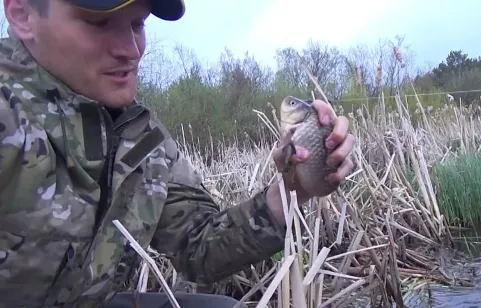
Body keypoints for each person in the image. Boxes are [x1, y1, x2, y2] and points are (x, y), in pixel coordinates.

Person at [0, 0, 356, 307]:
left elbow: (199, 249)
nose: (131, 49)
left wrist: (291, 191)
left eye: (137, 23)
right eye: (99, 23)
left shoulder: (141, 139)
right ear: (21, 14)